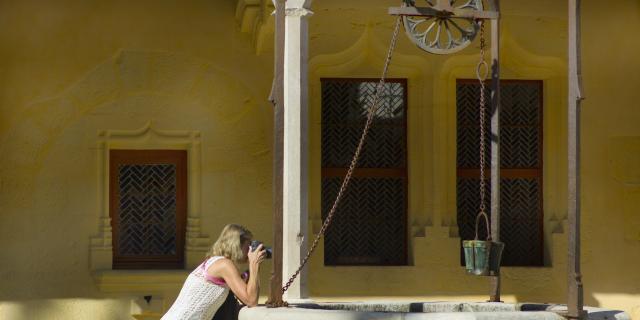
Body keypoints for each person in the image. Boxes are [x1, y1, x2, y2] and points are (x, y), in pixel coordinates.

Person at [161, 224, 266, 320]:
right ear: (237, 245)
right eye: (248, 246)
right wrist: (254, 265)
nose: (250, 251)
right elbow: (251, 300)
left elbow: (244, 297)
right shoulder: (224, 265)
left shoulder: (214, 262)